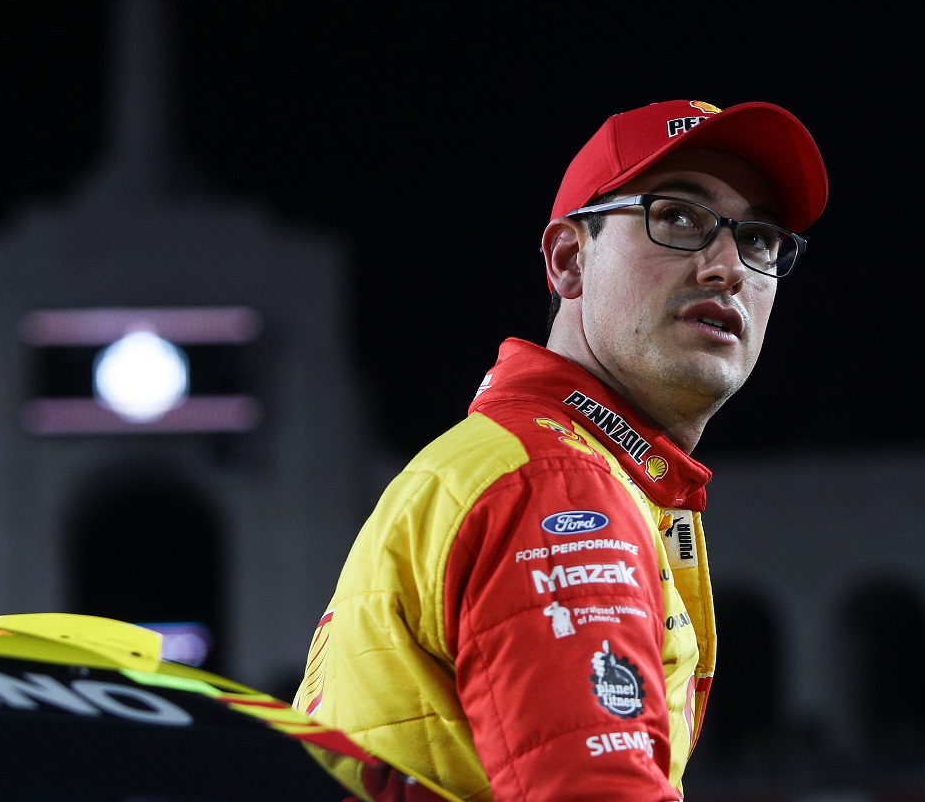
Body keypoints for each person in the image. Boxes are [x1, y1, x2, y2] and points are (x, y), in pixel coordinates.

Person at [295, 99, 828, 801]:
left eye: (758, 238)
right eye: (676, 216)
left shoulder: (494, 462)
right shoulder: (556, 482)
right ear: (569, 261)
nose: (729, 266)